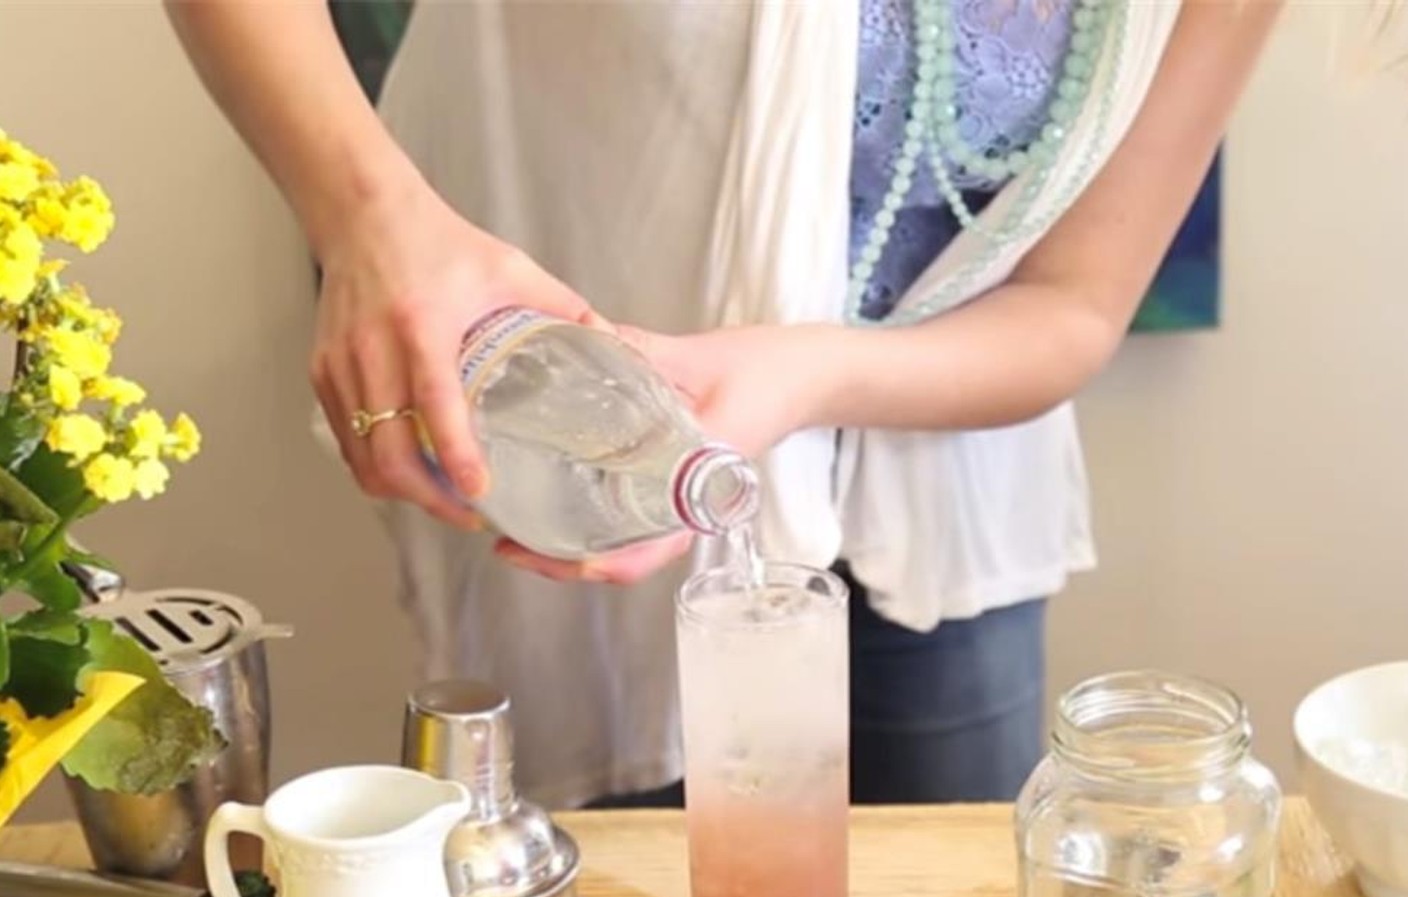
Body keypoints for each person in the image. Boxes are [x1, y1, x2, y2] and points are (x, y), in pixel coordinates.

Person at [165, 0, 1280, 809]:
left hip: (947, 521)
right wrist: (364, 219)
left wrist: (806, 376)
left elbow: (1075, 307)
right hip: (582, 459)